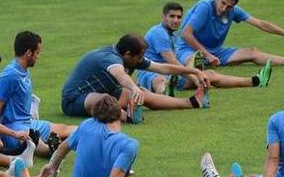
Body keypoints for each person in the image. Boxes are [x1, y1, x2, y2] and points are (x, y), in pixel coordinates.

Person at [13, 94, 243, 177]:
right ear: (120, 114)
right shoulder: (127, 143)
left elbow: (63, 147)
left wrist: (51, 166)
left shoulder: (86, 127)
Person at [61, 33, 210, 120]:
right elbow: (120, 75)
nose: (141, 60)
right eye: (140, 57)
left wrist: (193, 72)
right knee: (105, 100)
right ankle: (129, 117)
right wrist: (133, 87)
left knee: (142, 93)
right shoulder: (109, 58)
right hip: (74, 100)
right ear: (127, 54)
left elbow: (162, 67)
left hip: (105, 92)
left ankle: (191, 102)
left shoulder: (130, 57)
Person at [136, 1, 273, 95]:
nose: (176, 20)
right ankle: (166, 94)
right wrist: (195, 75)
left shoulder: (171, 35)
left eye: (179, 17)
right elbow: (172, 63)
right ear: (163, 16)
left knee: (210, 75)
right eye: (172, 16)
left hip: (171, 73)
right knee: (161, 81)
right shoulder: (158, 33)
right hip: (151, 73)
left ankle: (254, 80)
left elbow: (175, 65)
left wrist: (196, 74)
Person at [175, 0, 284, 72]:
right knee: (193, 62)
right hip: (188, 50)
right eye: (222, 3)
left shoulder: (234, 11)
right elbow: (186, 34)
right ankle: (178, 81)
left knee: (252, 52)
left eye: (229, 6)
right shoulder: (204, 7)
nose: (224, 9)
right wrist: (206, 55)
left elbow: (260, 24)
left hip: (215, 53)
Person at [0, 31, 76, 163]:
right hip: (13, 129)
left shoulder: (23, 71)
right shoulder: (10, 75)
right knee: (35, 142)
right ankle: (50, 149)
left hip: (29, 123)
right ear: (28, 53)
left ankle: (92, 132)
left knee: (66, 129)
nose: (38, 56)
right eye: (37, 52)